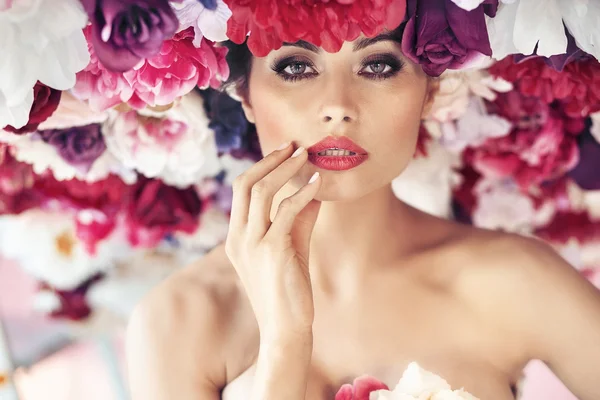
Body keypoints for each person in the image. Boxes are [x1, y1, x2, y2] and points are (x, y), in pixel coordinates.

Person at [124, 24, 600, 400]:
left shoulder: (515, 281)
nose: (338, 107)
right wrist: (284, 345)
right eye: (295, 67)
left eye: (377, 66)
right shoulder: (178, 319)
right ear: (245, 94)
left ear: (430, 91)